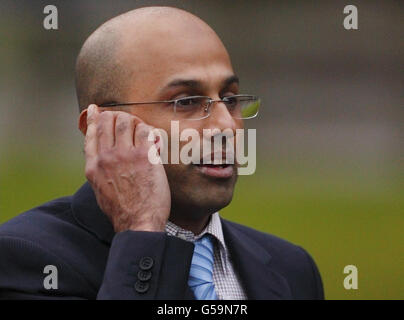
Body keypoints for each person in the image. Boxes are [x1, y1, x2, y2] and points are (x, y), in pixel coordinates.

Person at [0, 6, 324, 300]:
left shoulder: (292, 269)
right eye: (186, 101)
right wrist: (141, 230)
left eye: (229, 98)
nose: (226, 125)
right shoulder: (26, 260)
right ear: (99, 127)